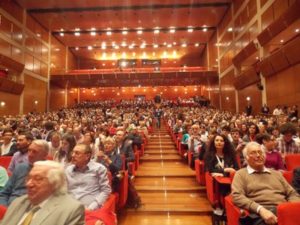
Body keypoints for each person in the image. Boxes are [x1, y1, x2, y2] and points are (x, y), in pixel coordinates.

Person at [232, 142, 300, 225]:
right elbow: (237, 196)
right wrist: (260, 209)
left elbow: (292, 193)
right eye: (253, 153)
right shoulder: (240, 174)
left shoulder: (276, 173)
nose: (258, 155)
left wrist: (291, 208)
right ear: (246, 158)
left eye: (260, 152)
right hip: (260, 212)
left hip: (283, 209)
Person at [0, 160, 85, 225]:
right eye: (29, 178)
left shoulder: (71, 209)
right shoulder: (18, 202)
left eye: (37, 179)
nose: (29, 184)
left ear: (55, 183)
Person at [0, 139, 49, 206]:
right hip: (9, 206)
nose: (30, 154)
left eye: (34, 152)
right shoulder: (20, 167)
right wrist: (3, 208)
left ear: (45, 155)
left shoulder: (50, 172)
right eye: (29, 150)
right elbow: (4, 193)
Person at [65, 144, 111, 210]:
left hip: (89, 209)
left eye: (77, 153)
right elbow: (63, 191)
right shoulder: (68, 170)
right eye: (73, 152)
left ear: (87, 156)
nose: (73, 155)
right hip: (69, 208)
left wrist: (92, 208)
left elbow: (105, 191)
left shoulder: (99, 169)